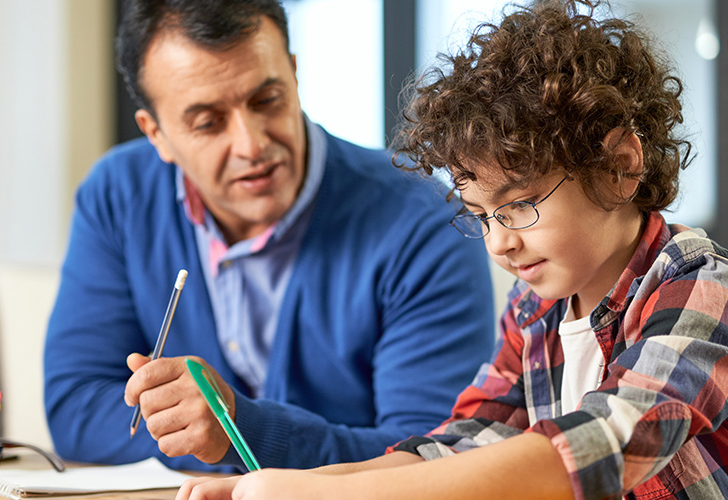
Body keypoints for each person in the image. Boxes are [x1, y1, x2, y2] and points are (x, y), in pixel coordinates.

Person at [175, 0, 728, 498]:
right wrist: (286, 483)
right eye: (480, 216)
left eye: (519, 205)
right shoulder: (532, 309)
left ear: (620, 166)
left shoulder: (703, 283)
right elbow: (462, 444)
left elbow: (600, 447)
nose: (499, 242)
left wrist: (328, 496)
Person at [42, 0, 497, 474]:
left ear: (295, 74)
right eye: (208, 122)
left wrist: (240, 433)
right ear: (155, 133)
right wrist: (208, 435)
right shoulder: (118, 195)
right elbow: (77, 408)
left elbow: (431, 455)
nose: (252, 143)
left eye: (266, 100)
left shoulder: (424, 220)